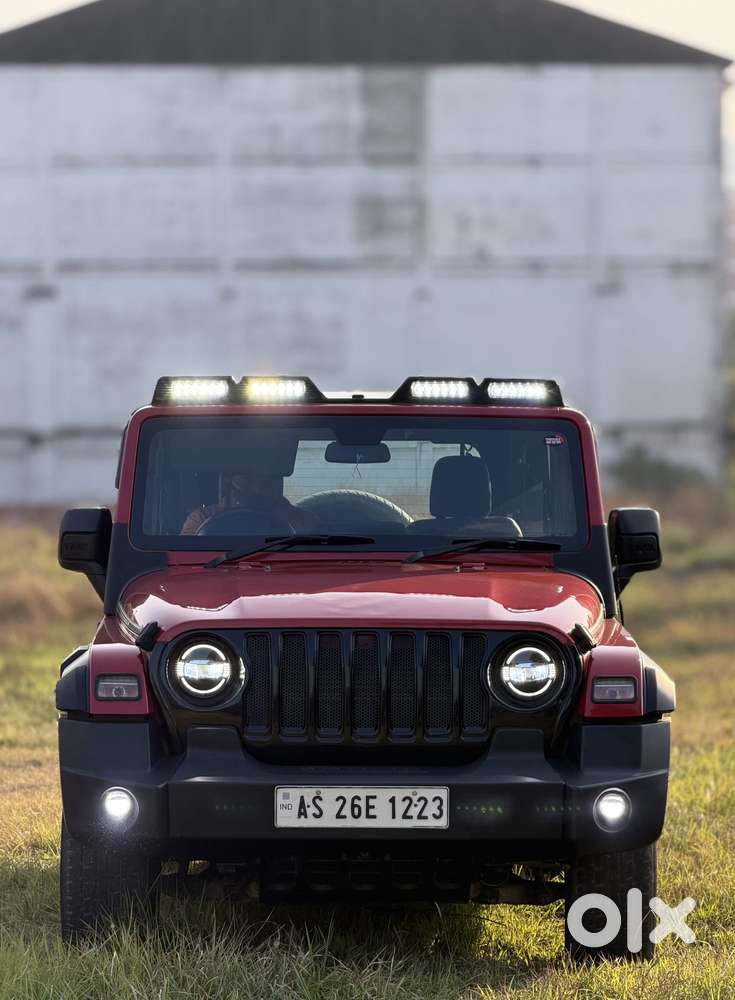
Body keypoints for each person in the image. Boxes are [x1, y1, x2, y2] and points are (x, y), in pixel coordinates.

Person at [181, 472, 318, 535]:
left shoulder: (296, 517)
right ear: (229, 480)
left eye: (263, 478)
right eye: (246, 476)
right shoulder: (200, 518)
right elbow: (186, 557)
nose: (255, 485)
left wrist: (282, 514)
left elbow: (315, 551)